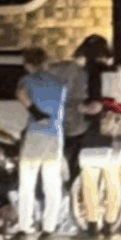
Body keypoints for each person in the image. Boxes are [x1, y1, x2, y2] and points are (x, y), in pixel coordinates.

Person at [73, 35, 121, 240]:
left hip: (94, 134)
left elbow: (96, 105)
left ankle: (92, 227)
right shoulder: (117, 74)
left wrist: (79, 108)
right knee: (113, 183)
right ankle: (110, 226)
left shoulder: (91, 74)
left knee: (90, 181)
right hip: (117, 135)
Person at [12, 47, 67, 240]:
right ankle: (49, 229)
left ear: (28, 64)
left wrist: (35, 113)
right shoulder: (60, 83)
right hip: (55, 136)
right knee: (51, 183)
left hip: (35, 134)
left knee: (27, 182)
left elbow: (19, 93)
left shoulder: (27, 80)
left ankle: (25, 228)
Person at [47, 50, 89, 186]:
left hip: (53, 123)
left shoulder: (50, 71)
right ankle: (71, 187)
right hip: (77, 123)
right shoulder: (80, 72)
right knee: (73, 159)